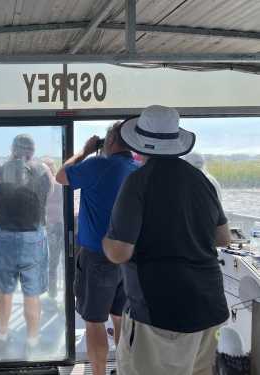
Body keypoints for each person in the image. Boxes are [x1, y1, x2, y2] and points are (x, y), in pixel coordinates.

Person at [103, 105, 231, 375]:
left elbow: (119, 253)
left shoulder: (138, 182)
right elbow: (223, 237)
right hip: (208, 307)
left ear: (139, 146)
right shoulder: (201, 180)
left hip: (160, 311)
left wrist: (106, 241)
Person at [56, 122, 138, 375]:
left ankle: (99, 373)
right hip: (130, 258)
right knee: (121, 318)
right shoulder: (138, 170)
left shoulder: (97, 165)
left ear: (111, 140)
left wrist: (86, 150)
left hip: (98, 257)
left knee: (94, 322)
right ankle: (125, 370)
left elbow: (61, 176)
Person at [0, 134, 53, 354]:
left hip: (5, 235)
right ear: (32, 151)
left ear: (12, 148)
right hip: (33, 238)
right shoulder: (42, 170)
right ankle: (33, 341)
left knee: (4, 290)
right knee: (31, 293)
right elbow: (48, 193)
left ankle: (2, 335)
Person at [42, 158, 64, 303]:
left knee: (61, 261)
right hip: (53, 226)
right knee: (53, 262)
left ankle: (61, 296)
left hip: (60, 226)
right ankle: (53, 295)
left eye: (49, 168)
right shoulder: (45, 187)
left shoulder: (59, 185)